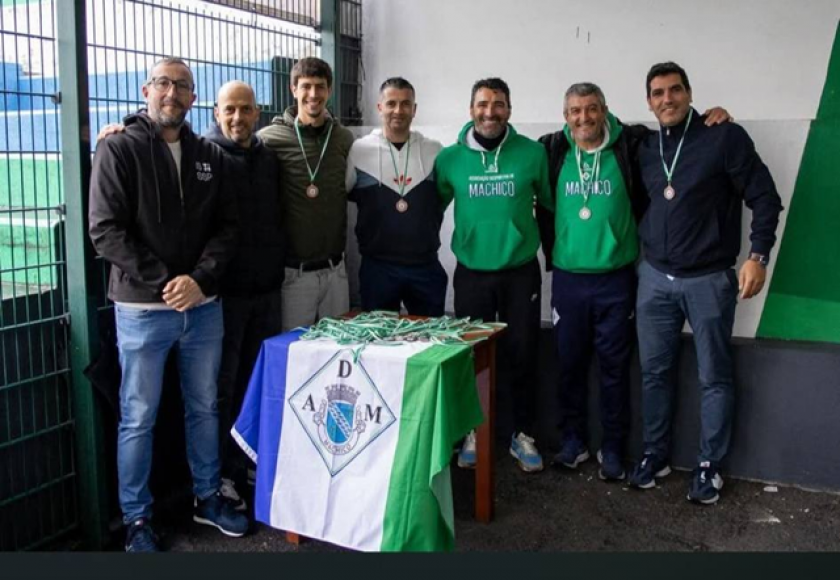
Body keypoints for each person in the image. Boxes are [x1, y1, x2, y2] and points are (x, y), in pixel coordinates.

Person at [88, 57, 248, 551]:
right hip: (141, 312)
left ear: (194, 99)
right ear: (145, 90)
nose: (171, 93)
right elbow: (105, 231)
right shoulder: (118, 148)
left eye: (182, 86)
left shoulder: (210, 157)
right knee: (138, 416)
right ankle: (137, 519)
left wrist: (199, 281)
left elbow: (229, 228)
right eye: (163, 83)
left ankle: (207, 496)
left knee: (204, 406)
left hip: (204, 309)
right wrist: (167, 283)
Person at [537, 83, 732, 481]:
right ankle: (573, 441)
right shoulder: (551, 150)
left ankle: (612, 447)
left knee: (615, 368)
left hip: (617, 279)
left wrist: (715, 118)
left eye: (592, 109)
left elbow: (675, 132)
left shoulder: (631, 144)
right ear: (565, 115)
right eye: (575, 111)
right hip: (569, 280)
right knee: (569, 365)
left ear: (605, 110)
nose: (584, 118)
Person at [628, 62, 783, 504]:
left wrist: (757, 256)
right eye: (657, 93)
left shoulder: (724, 136)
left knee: (714, 375)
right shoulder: (643, 146)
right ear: (649, 101)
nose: (667, 99)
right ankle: (655, 454)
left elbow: (765, 197)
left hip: (710, 279)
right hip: (654, 278)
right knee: (655, 373)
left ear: (690, 93)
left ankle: (709, 465)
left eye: (675, 90)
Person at [435, 77, 553, 473]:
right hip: (471, 273)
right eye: (483, 104)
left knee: (522, 351)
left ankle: (522, 433)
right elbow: (431, 206)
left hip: (520, 273)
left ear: (509, 110)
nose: (490, 111)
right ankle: (474, 431)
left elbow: (551, 205)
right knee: (472, 356)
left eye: (498, 104)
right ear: (471, 110)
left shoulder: (532, 154)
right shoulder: (449, 159)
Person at [204, 81, 285, 510]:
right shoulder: (203, 155)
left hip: (268, 294)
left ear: (259, 114)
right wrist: (115, 130)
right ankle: (223, 477)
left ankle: (251, 464)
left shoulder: (268, 158)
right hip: (225, 300)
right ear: (217, 112)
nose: (238, 118)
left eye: (246, 110)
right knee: (224, 390)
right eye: (230, 110)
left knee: (260, 386)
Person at [258, 57, 355, 331]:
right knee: (294, 351)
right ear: (293, 89)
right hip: (294, 275)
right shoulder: (270, 138)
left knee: (338, 351)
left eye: (320, 87)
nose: (313, 94)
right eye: (306, 86)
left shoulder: (343, 138)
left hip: (336, 271)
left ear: (330, 90)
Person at [345, 77, 446, 315]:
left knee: (431, 344)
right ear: (380, 107)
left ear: (414, 109)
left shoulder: (434, 150)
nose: (398, 111)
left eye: (405, 104)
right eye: (391, 103)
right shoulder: (359, 150)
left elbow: (444, 195)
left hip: (425, 266)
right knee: (379, 343)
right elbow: (344, 191)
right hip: (378, 267)